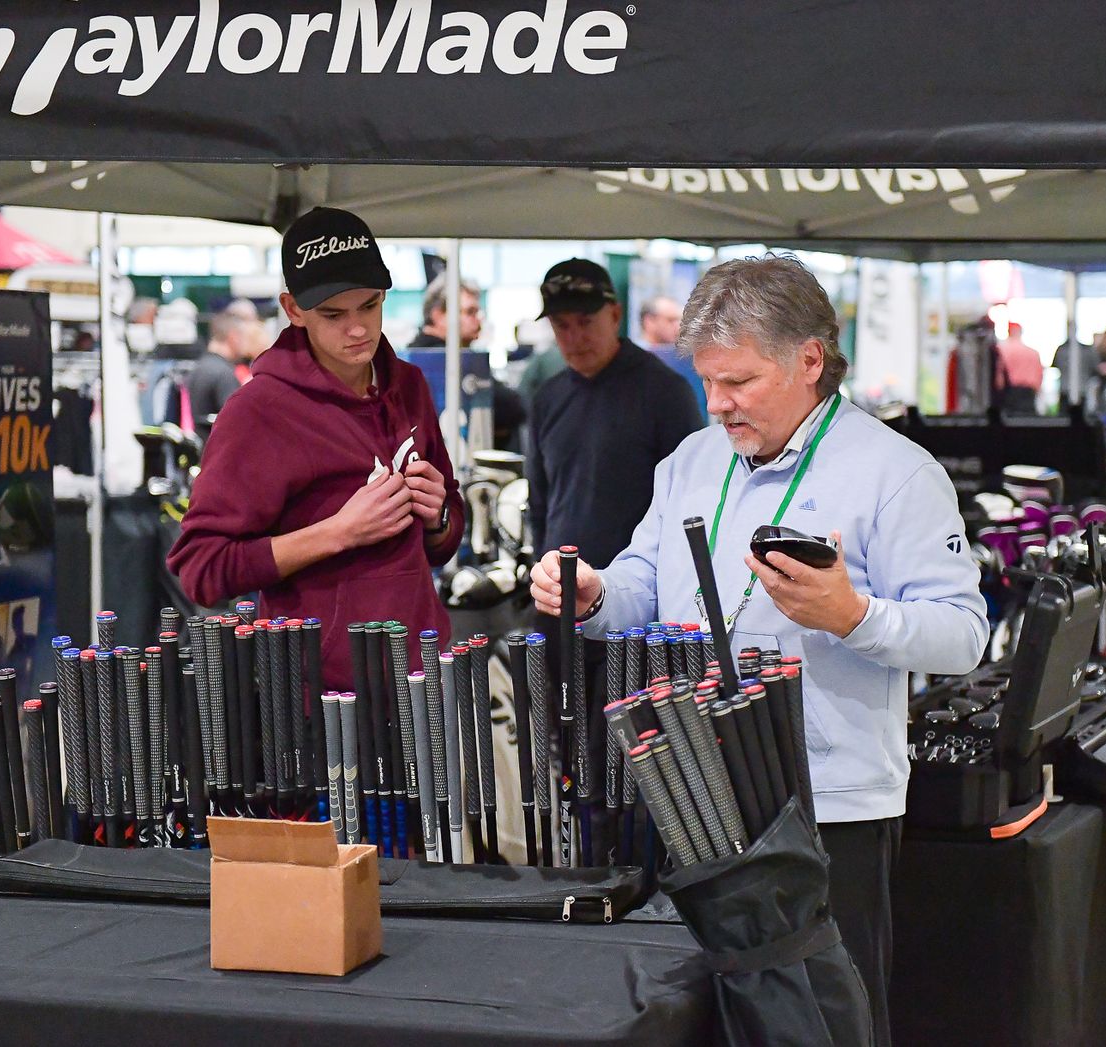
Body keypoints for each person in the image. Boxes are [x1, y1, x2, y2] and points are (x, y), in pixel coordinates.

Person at [529, 255, 987, 1047]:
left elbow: (963, 634)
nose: (718, 404)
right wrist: (596, 596)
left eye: (738, 381)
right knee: (708, 1021)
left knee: (828, 1024)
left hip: (828, 809)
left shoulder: (895, 473)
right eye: (707, 381)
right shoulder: (692, 462)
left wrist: (854, 615)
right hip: (696, 800)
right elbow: (645, 578)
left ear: (810, 359)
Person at [167, 206, 464, 688]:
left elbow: (442, 540)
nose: (358, 329)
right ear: (293, 309)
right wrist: (338, 533)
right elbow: (202, 569)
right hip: (319, 700)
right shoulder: (259, 411)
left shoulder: (408, 386)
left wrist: (441, 517)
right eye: (333, 314)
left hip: (423, 676)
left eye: (370, 306)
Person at [526, 258, 705, 837]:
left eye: (584, 322)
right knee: (571, 762)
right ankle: (584, 861)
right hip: (562, 612)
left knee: (634, 772)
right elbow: (541, 501)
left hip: (638, 619)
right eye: (561, 327)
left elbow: (691, 505)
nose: (573, 338)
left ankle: (633, 872)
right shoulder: (549, 395)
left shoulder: (665, 392)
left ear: (614, 313)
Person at [405, 273, 526, 453]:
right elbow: (511, 407)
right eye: (470, 312)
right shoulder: (445, 359)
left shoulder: (412, 356)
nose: (479, 319)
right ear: (439, 315)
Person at [185, 308, 255, 443]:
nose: (245, 345)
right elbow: (236, 421)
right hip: (220, 453)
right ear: (233, 337)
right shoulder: (224, 374)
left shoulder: (199, 367)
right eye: (243, 338)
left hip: (202, 451)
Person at [640, 293, 705, 408]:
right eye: (670, 320)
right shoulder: (632, 359)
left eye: (680, 321)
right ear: (649, 321)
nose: (678, 326)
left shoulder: (688, 358)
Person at [996, 322, 1043, 414]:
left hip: (1010, 390)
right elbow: (1039, 374)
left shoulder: (1002, 350)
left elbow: (999, 373)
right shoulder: (1033, 352)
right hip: (1029, 390)